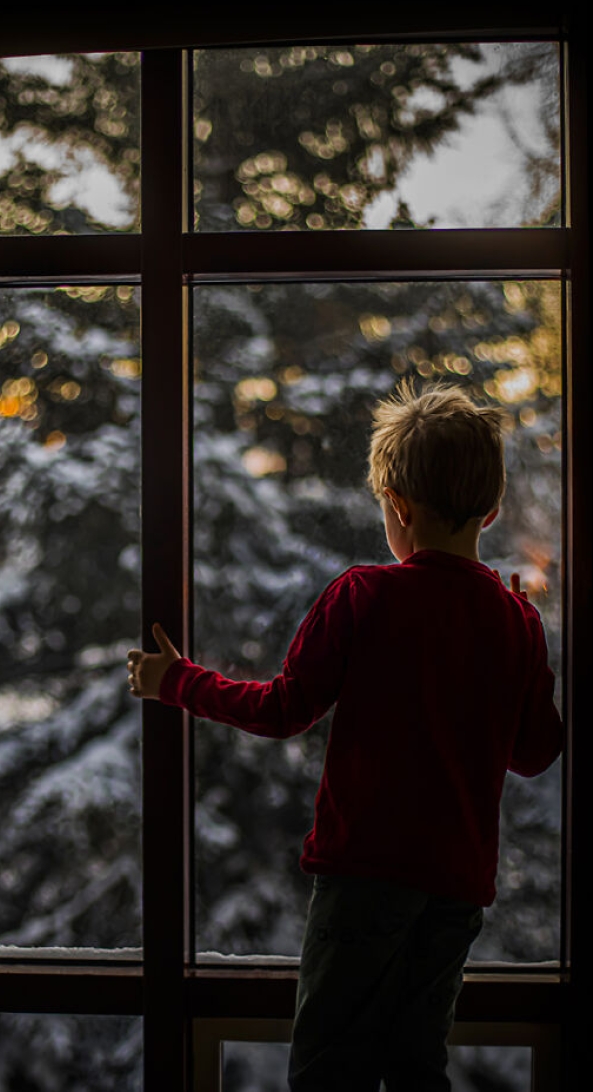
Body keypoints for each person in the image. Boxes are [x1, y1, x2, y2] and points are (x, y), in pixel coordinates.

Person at [126, 379, 563, 1092]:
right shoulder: (512, 621)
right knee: (417, 1063)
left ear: (397, 508)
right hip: (455, 891)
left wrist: (173, 681)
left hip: (363, 878)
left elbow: (281, 709)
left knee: (329, 1066)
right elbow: (533, 753)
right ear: (490, 509)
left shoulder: (363, 595)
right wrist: (530, 642)